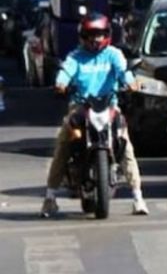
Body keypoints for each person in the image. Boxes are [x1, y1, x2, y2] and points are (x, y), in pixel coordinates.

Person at [42, 12, 147, 218]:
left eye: (100, 34)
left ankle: (138, 198)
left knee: (126, 147)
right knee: (63, 145)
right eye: (91, 34)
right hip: (80, 108)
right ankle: (50, 198)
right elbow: (65, 71)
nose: (96, 39)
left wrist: (131, 82)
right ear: (83, 35)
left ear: (107, 34)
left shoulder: (114, 54)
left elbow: (124, 71)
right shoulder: (75, 56)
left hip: (110, 107)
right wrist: (61, 83)